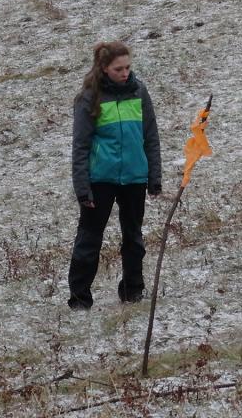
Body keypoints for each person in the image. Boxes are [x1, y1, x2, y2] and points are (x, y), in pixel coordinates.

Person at [68, 41, 161, 310]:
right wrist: (82, 188)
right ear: (104, 68)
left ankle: (133, 292)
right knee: (89, 240)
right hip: (100, 181)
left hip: (134, 178)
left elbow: (151, 136)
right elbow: (80, 146)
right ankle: (80, 300)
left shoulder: (139, 92)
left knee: (134, 239)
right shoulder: (89, 98)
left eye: (128, 67)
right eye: (118, 69)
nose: (125, 73)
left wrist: (154, 177)